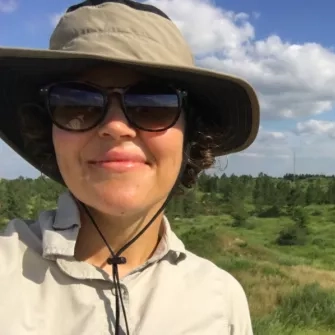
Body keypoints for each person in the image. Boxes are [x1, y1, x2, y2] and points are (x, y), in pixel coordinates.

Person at [0, 0, 260, 334]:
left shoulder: (220, 301)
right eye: (76, 103)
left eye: (153, 105)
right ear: (48, 131)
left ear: (190, 136)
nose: (116, 126)